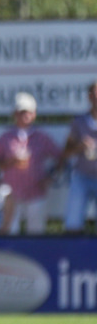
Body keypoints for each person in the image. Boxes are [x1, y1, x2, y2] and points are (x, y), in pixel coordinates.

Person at [0, 92, 61, 234]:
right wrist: (10, 162)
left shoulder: (42, 137)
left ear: (34, 114)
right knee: (10, 233)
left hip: (36, 193)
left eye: (28, 112)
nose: (25, 116)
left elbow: (60, 157)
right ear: (15, 114)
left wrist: (50, 177)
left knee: (36, 235)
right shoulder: (6, 137)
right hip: (12, 195)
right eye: (22, 112)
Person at [61, 80, 97, 234]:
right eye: (95, 94)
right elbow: (66, 152)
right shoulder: (79, 122)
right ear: (89, 97)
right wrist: (80, 146)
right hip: (82, 176)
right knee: (73, 223)